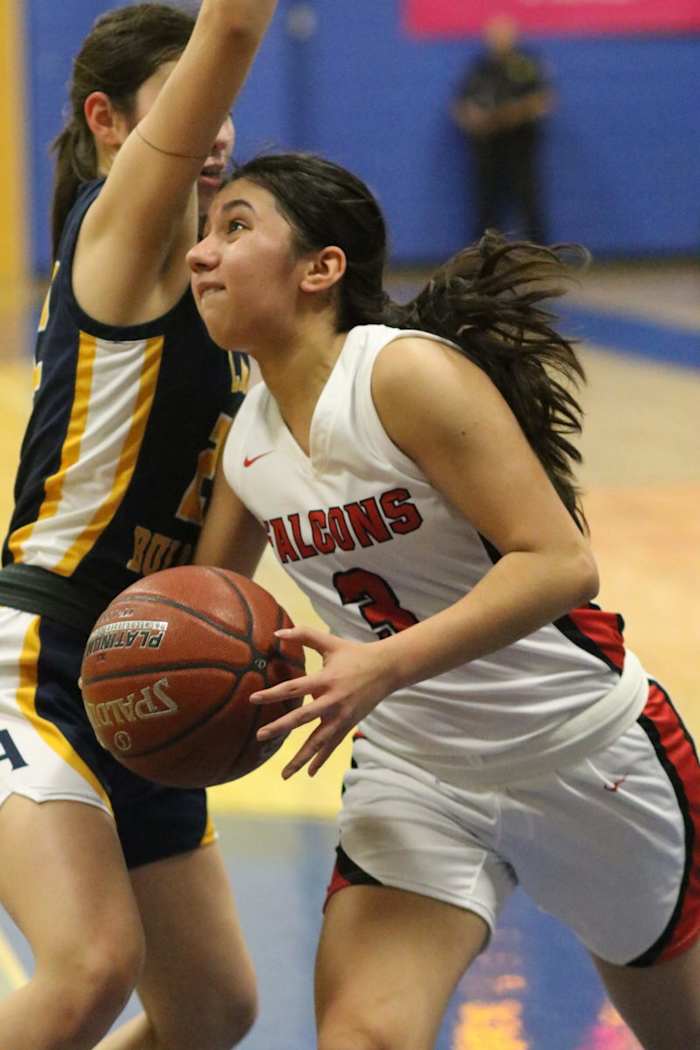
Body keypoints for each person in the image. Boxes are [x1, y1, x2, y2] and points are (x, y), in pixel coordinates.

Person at [190, 152, 700, 1050]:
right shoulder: (246, 446)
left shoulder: (401, 375)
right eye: (204, 233)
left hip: (585, 750)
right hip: (417, 772)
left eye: (235, 227)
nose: (203, 254)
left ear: (322, 268)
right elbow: (206, 613)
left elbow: (559, 564)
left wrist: (383, 664)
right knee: (362, 1035)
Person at [0, 2, 276, 1048]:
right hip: (35, 650)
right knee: (90, 965)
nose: (218, 133)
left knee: (211, 1011)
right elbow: (238, 32)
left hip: (141, 666)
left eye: (224, 115)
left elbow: (214, 561)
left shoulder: (221, 310)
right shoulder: (120, 236)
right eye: (193, 104)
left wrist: (235, 646)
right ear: (108, 120)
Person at [451, 15, 554, 243]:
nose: (499, 40)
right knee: (486, 206)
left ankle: (541, 256)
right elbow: (459, 105)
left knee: (529, 204)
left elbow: (542, 101)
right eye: (494, 35)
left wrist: (504, 116)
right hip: (487, 151)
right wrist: (472, 118)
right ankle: (482, 258)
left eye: (504, 35)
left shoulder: (526, 65)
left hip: (519, 147)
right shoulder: (479, 68)